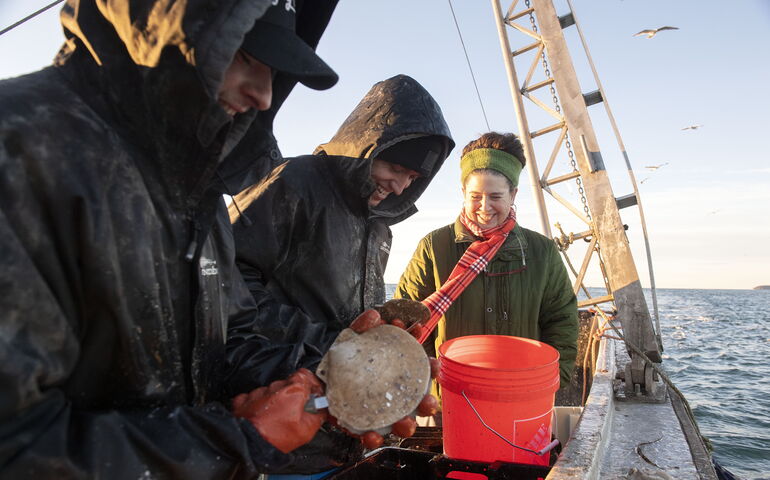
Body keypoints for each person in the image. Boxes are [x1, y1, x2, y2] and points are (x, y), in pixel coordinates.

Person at [0, 0, 341, 477]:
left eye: (273, 70)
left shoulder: (200, 194)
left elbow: (230, 342)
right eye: (242, 53)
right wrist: (230, 444)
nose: (265, 95)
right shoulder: (18, 148)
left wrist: (339, 376)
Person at [226, 75, 453, 470]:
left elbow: (350, 318)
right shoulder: (294, 182)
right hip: (275, 425)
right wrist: (333, 347)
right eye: (395, 167)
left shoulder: (380, 228)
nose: (401, 187)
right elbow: (224, 284)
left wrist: (383, 339)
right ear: (366, 146)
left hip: (341, 432)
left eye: (413, 178)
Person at [395, 132, 578, 403]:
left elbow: (561, 321)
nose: (484, 207)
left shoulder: (542, 251)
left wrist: (550, 380)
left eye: (495, 196)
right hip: (451, 398)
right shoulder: (434, 246)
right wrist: (430, 381)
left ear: (513, 194)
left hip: (521, 397)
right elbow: (407, 321)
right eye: (475, 196)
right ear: (463, 193)